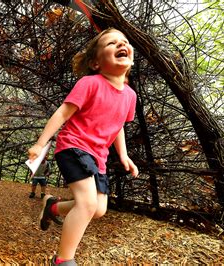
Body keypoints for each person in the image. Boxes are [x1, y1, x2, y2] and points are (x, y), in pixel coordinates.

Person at [27, 28, 139, 266]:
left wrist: (124, 155)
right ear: (96, 63)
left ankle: (53, 207)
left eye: (125, 42)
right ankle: (63, 260)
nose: (121, 44)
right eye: (112, 43)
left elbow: (118, 124)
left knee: (98, 209)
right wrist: (40, 143)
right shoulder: (90, 83)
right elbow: (63, 112)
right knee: (87, 204)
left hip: (98, 156)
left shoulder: (130, 96)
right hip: (73, 146)